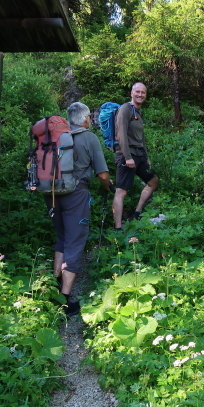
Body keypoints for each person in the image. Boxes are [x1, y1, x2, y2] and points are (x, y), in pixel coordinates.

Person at [46, 102, 113, 315]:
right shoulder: (89, 138)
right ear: (84, 119)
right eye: (89, 118)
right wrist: (107, 187)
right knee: (75, 243)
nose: (91, 121)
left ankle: (55, 287)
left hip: (52, 193)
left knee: (62, 237)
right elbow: (102, 174)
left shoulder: (57, 137)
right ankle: (65, 301)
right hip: (76, 195)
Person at [112, 82, 159, 229]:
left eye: (143, 92)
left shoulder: (137, 111)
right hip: (127, 155)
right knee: (121, 191)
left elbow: (141, 138)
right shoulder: (125, 109)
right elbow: (121, 135)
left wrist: (147, 157)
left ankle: (137, 213)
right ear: (131, 93)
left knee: (153, 181)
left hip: (140, 155)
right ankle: (118, 228)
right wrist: (127, 157)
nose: (140, 95)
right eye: (137, 92)